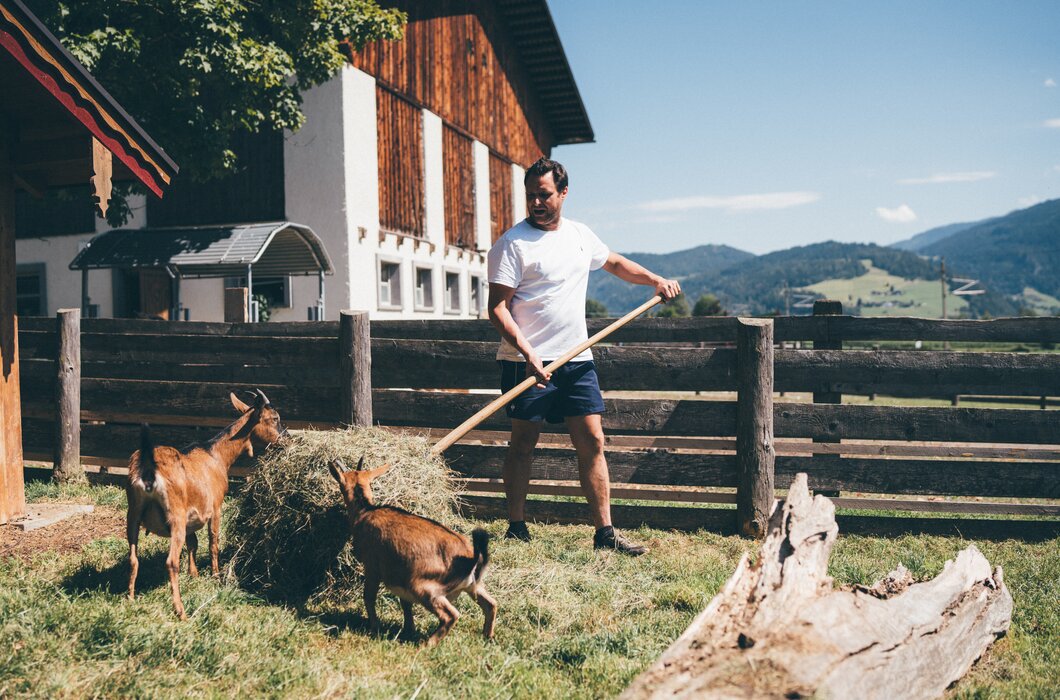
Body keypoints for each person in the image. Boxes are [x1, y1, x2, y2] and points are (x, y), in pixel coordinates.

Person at [486, 157, 681, 556]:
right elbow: (497, 308)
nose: (537, 203)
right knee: (523, 442)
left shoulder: (579, 235)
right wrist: (528, 352)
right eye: (530, 196)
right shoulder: (512, 244)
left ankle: (605, 533)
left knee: (592, 439)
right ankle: (516, 526)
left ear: (563, 193)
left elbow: (614, 263)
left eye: (544, 195)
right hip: (527, 363)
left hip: (576, 359)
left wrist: (654, 280)